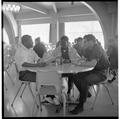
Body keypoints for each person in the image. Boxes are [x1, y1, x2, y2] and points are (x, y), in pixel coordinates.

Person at [70, 34, 110, 114]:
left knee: (85, 80)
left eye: (85, 42)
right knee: (74, 76)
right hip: (92, 70)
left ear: (91, 42)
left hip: (101, 73)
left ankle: (81, 105)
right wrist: (76, 60)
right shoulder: (88, 49)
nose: (83, 43)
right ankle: (85, 92)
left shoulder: (97, 48)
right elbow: (83, 59)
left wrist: (78, 64)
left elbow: (92, 64)